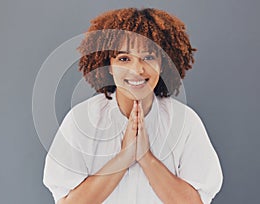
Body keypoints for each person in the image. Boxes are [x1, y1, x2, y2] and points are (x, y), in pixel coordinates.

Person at [43, 8, 223, 204]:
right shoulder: (80, 120)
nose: (137, 70)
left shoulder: (185, 121)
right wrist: (124, 158)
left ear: (162, 63)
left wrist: (146, 158)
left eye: (148, 57)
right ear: (108, 65)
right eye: (124, 59)